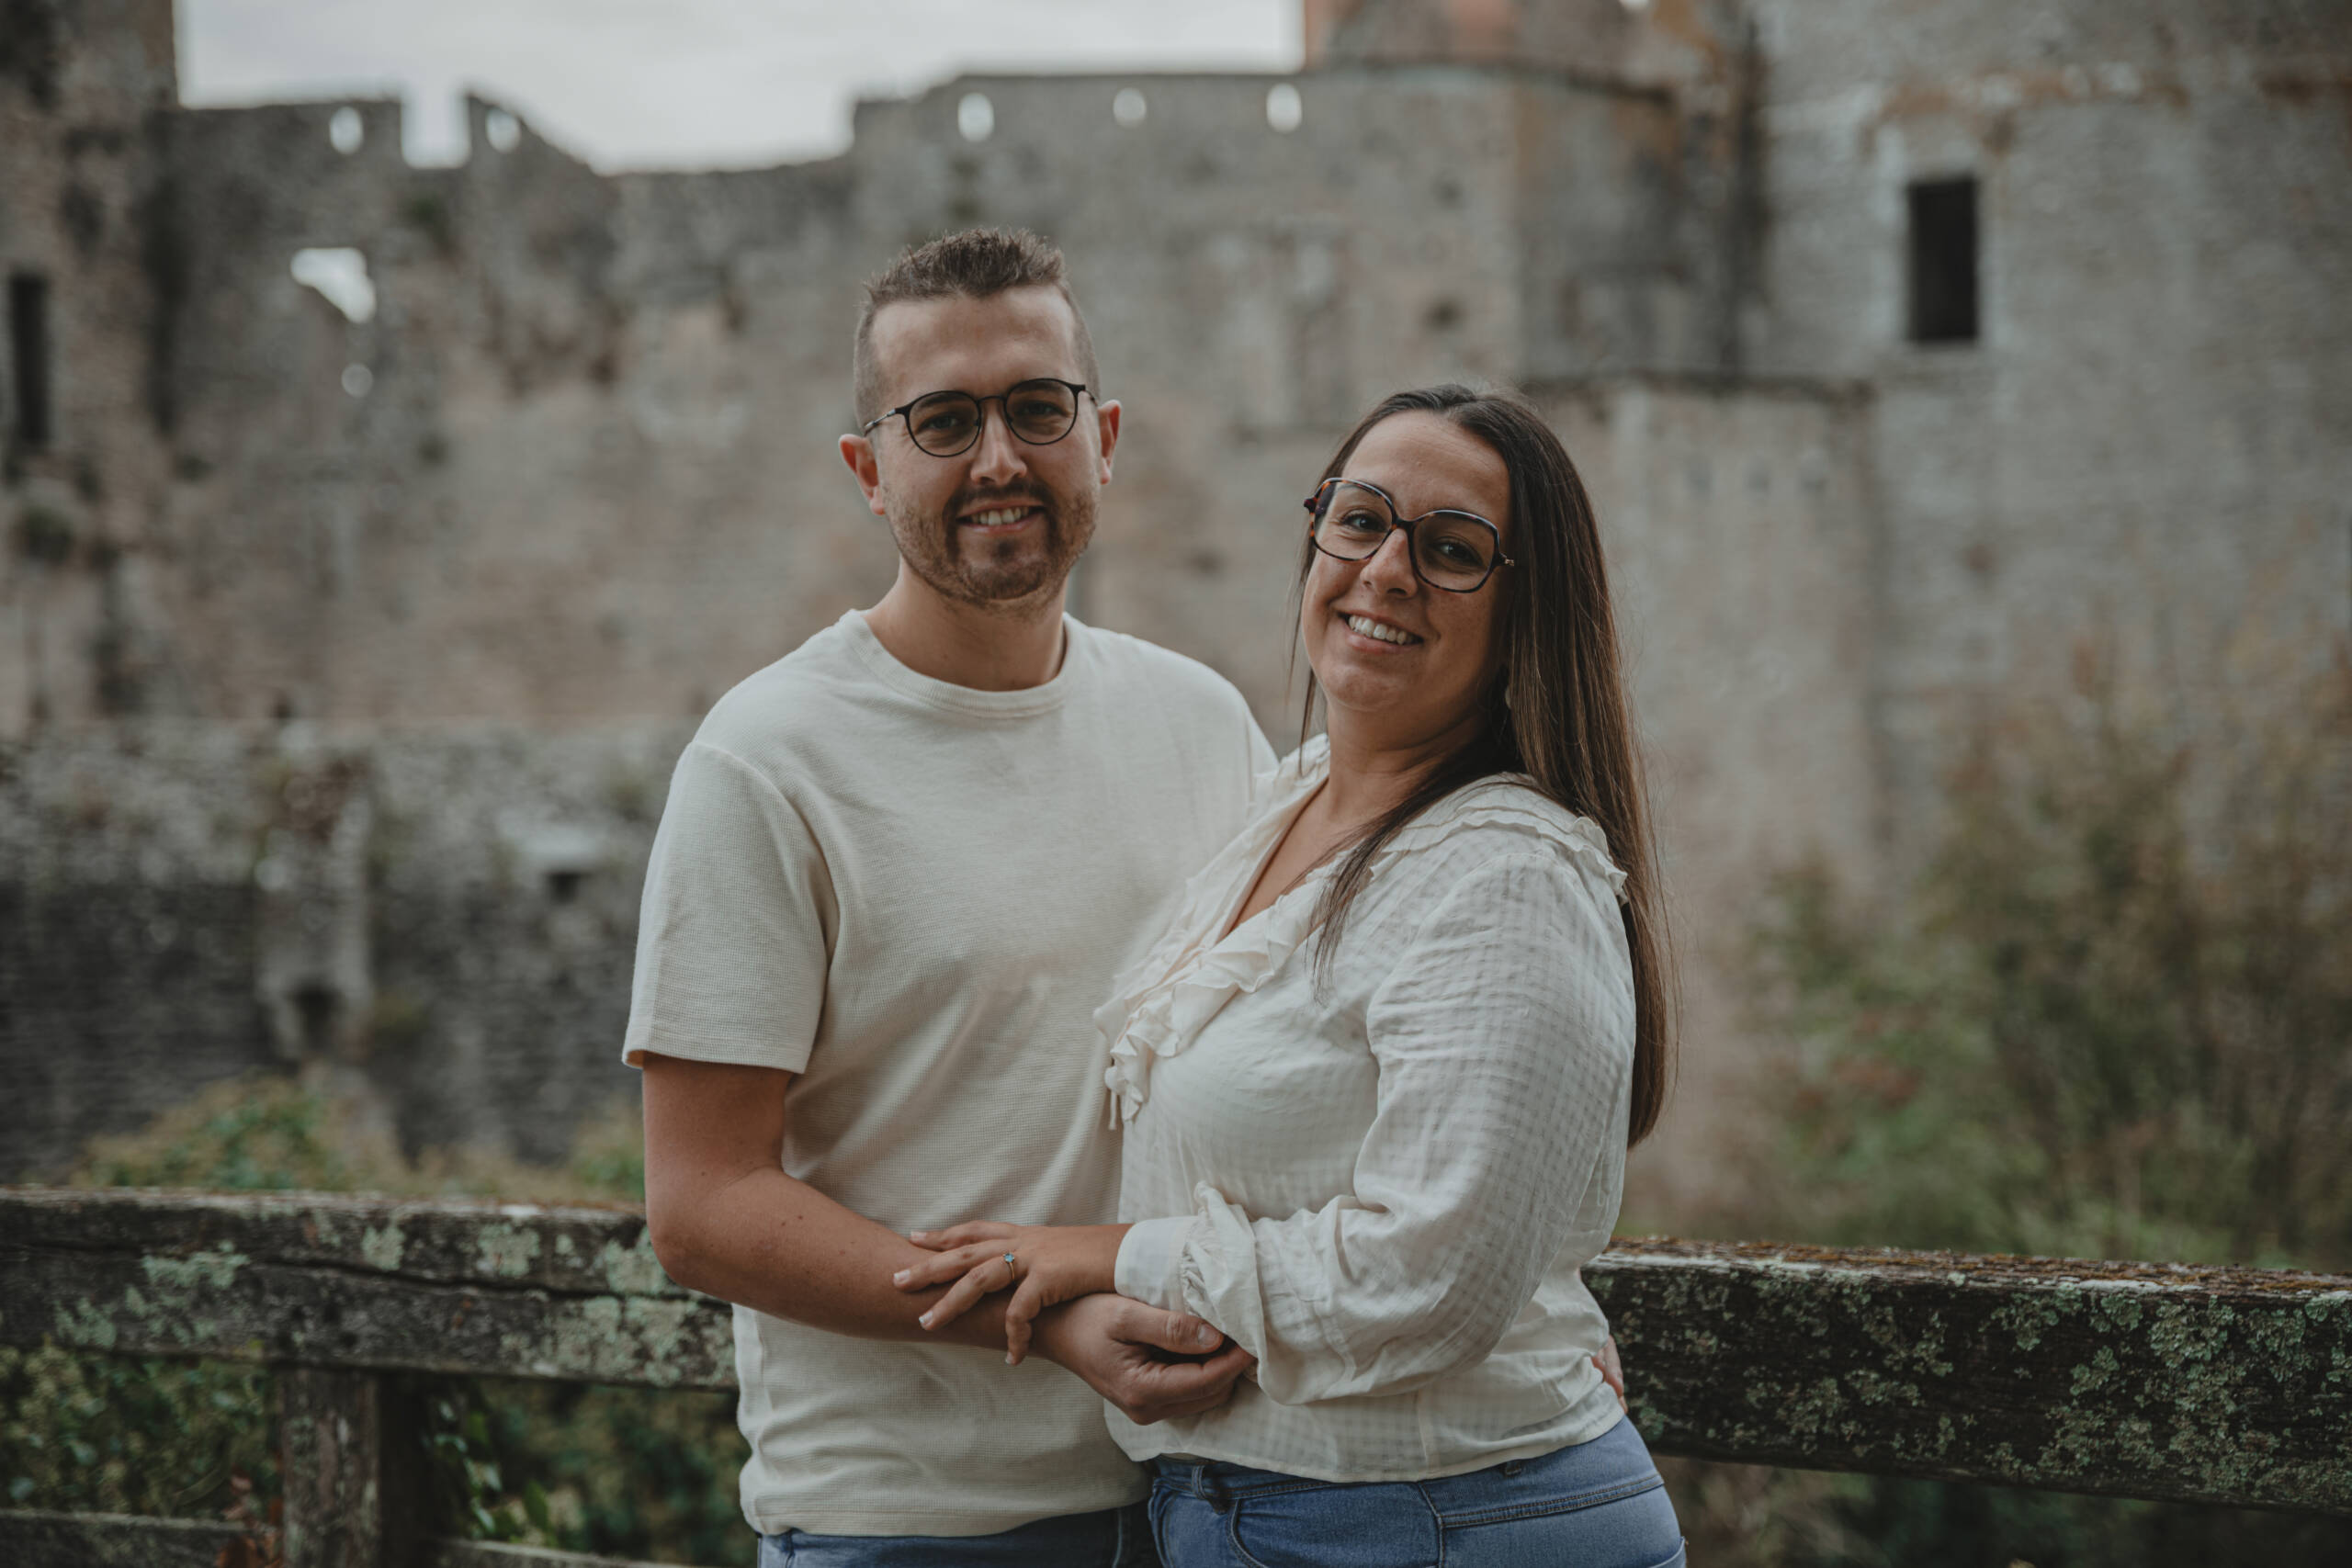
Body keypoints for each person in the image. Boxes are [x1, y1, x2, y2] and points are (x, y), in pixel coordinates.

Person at [899, 385, 1688, 1566]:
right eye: (1359, 519)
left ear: (1527, 610)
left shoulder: (1506, 875)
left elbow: (1430, 1278)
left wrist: (1104, 1254)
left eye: (1454, 551)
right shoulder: (1289, 801)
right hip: (1283, 1516)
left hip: (1439, 1516)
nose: (1386, 570)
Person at [625, 228, 1270, 1567]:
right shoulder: (767, 759)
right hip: (907, 1521)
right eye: (943, 420)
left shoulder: (1203, 722)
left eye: (1038, 409)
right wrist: (1038, 1312)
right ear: (869, 468)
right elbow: (702, 1202)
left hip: (1212, 1495)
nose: (998, 458)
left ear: (1105, 438)